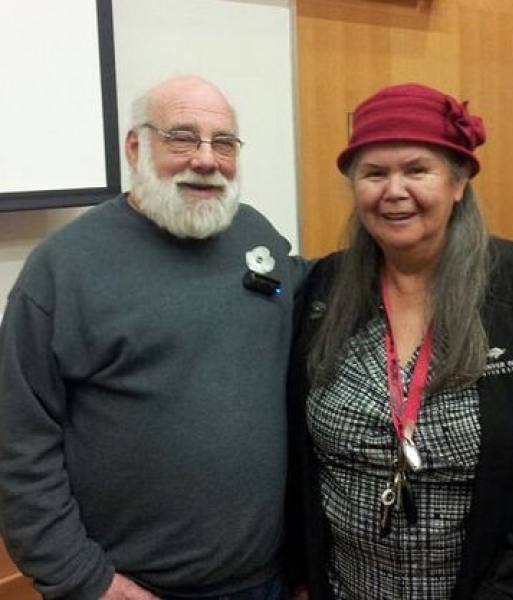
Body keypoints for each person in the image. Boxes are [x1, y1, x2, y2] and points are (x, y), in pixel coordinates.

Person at [286, 83, 513, 599]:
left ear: (458, 183)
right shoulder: (324, 288)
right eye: (374, 173)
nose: (394, 190)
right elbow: (299, 459)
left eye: (416, 169)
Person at [0, 75, 308, 600]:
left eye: (224, 142)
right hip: (132, 588)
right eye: (182, 137)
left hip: (268, 579)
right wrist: (82, 579)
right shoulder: (64, 269)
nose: (207, 159)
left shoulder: (256, 235)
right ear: (135, 146)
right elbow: (16, 442)